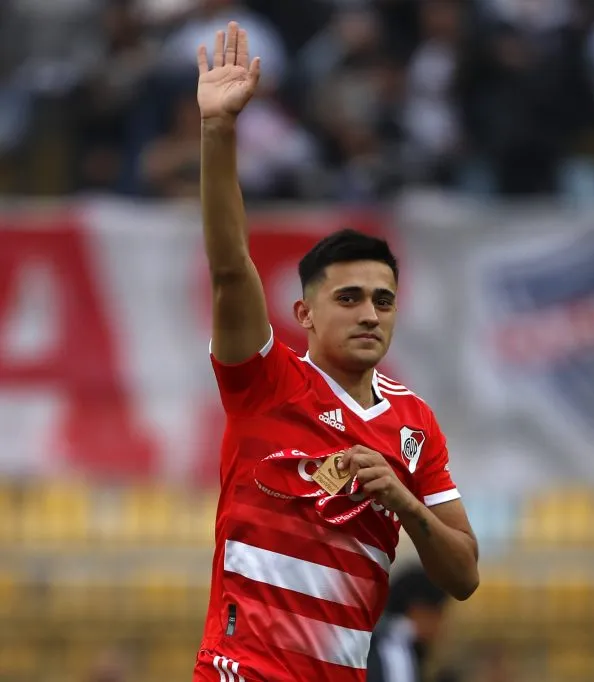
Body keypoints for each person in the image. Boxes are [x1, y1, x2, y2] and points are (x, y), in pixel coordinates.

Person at [191, 22, 479, 682]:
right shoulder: (266, 381)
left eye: (383, 300)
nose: (369, 313)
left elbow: (463, 575)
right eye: (348, 298)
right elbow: (230, 268)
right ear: (304, 314)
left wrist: (403, 502)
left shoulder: (414, 425)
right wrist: (218, 131)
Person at [366, 565, 453, 682]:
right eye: (438, 614)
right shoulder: (387, 648)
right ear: (418, 610)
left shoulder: (416, 652)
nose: (440, 625)